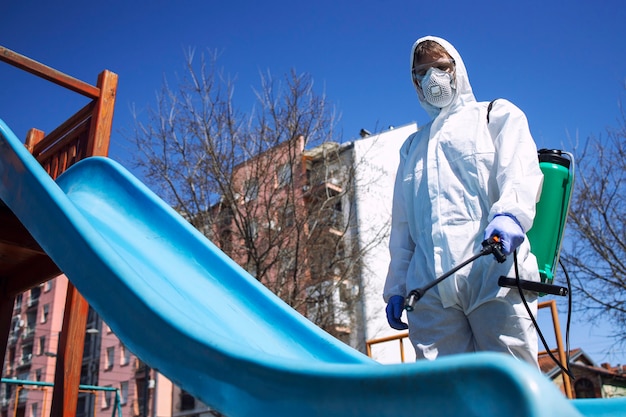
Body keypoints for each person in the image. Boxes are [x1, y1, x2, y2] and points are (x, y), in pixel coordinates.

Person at [383, 36, 544, 366]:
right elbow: (402, 229)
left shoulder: (494, 115)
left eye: (440, 67)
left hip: (493, 274)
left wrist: (510, 216)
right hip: (429, 290)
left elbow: (520, 172)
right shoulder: (412, 148)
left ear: (457, 70)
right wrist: (397, 286)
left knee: (509, 382)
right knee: (442, 394)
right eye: (422, 72)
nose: (432, 78)